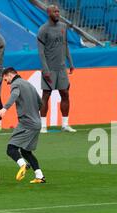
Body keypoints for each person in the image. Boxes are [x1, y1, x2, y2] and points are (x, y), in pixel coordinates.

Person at [0, 67, 46, 184]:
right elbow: (41, 103)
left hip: (26, 123)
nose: (6, 83)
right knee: (25, 152)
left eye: (5, 80)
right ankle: (40, 176)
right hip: (37, 123)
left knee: (11, 149)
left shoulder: (16, 84)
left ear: (9, 75)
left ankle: (23, 165)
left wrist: (5, 108)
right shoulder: (28, 84)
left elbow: (14, 95)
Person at [37, 4, 76, 133]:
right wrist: (45, 69)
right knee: (46, 95)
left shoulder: (63, 27)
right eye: (55, 12)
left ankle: (65, 124)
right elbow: (41, 52)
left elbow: (65, 45)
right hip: (49, 68)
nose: (58, 14)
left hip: (61, 68)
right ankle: (43, 126)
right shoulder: (43, 29)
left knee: (65, 93)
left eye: (58, 11)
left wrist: (70, 63)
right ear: (49, 13)